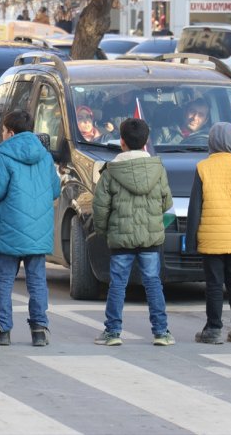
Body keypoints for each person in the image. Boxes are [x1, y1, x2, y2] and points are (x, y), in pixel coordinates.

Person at [0, 111, 60, 347]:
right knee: (37, 281)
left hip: (9, 228)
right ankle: (39, 330)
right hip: (38, 230)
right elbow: (55, 191)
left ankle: (3, 331)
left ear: (10, 131)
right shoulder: (45, 156)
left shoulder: (2, 154)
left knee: (4, 281)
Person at [92, 118, 175, 346]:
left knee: (118, 283)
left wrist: (103, 231)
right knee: (152, 282)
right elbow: (166, 202)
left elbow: (100, 208)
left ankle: (112, 332)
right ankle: (161, 332)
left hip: (121, 238)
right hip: (150, 237)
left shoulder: (110, 171)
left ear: (122, 142)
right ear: (147, 141)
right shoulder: (158, 169)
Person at [185, 122, 231, 344]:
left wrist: (191, 239)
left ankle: (213, 329)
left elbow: (194, 207)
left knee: (215, 284)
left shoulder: (203, 167)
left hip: (211, 237)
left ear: (211, 142)